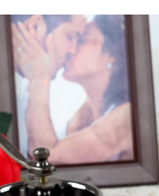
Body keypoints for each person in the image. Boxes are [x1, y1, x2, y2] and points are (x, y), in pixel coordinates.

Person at [16, 15, 133, 166]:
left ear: (110, 55)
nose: (72, 49)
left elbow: (46, 158)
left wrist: (39, 78)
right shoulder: (80, 118)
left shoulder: (127, 116)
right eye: (71, 37)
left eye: (81, 40)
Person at [11, 14, 87, 158]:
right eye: (70, 37)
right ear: (36, 26)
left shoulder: (22, 92)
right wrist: (40, 79)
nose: (73, 50)